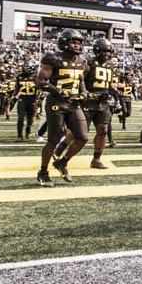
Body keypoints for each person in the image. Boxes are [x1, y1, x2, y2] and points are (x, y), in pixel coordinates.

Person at [35, 29, 89, 186]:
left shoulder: (81, 61)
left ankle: (62, 162)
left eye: (79, 42)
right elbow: (40, 82)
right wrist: (58, 91)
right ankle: (43, 172)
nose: (76, 45)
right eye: (73, 41)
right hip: (56, 103)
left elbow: (80, 81)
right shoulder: (53, 58)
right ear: (64, 42)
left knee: (83, 137)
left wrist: (84, 92)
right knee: (53, 138)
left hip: (73, 103)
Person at [81, 37, 117, 169]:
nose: (106, 54)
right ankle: (62, 148)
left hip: (103, 102)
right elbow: (80, 81)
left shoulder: (110, 65)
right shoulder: (88, 63)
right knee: (80, 133)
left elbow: (108, 83)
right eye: (103, 51)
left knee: (103, 130)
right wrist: (85, 93)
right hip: (88, 101)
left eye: (108, 51)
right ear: (96, 50)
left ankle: (96, 159)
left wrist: (114, 90)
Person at [15, 66, 39, 140]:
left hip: (32, 99)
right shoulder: (19, 77)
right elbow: (17, 88)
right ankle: (19, 135)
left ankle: (28, 131)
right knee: (20, 117)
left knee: (30, 118)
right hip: (22, 99)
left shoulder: (35, 76)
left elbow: (40, 87)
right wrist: (15, 95)